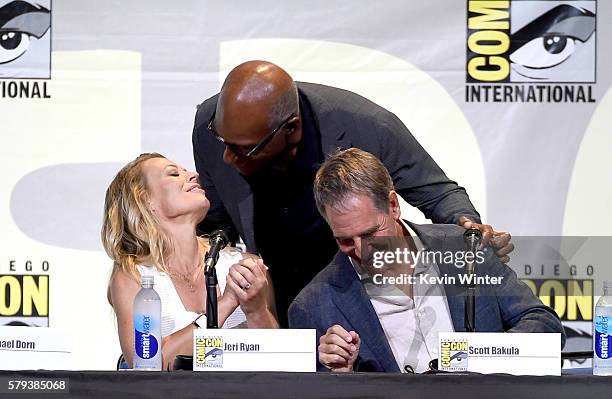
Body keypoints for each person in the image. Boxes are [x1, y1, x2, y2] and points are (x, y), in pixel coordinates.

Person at [192, 60, 513, 326]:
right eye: (223, 142)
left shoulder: (367, 127)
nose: (227, 158)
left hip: (352, 290)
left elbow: (437, 192)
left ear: (290, 127)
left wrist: (470, 230)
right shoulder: (212, 127)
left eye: (245, 149)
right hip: (281, 297)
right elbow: (217, 224)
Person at [287, 148, 565, 373]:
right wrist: (339, 377)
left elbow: (545, 327)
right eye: (345, 240)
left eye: (371, 233)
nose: (362, 251)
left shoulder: (465, 247)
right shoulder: (313, 306)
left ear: (393, 205)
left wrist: (483, 358)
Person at [101, 153, 278, 370]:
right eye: (174, 174)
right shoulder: (135, 277)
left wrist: (256, 310)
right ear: (145, 200)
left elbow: (279, 361)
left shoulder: (247, 266)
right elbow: (149, 364)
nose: (194, 175)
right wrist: (225, 303)